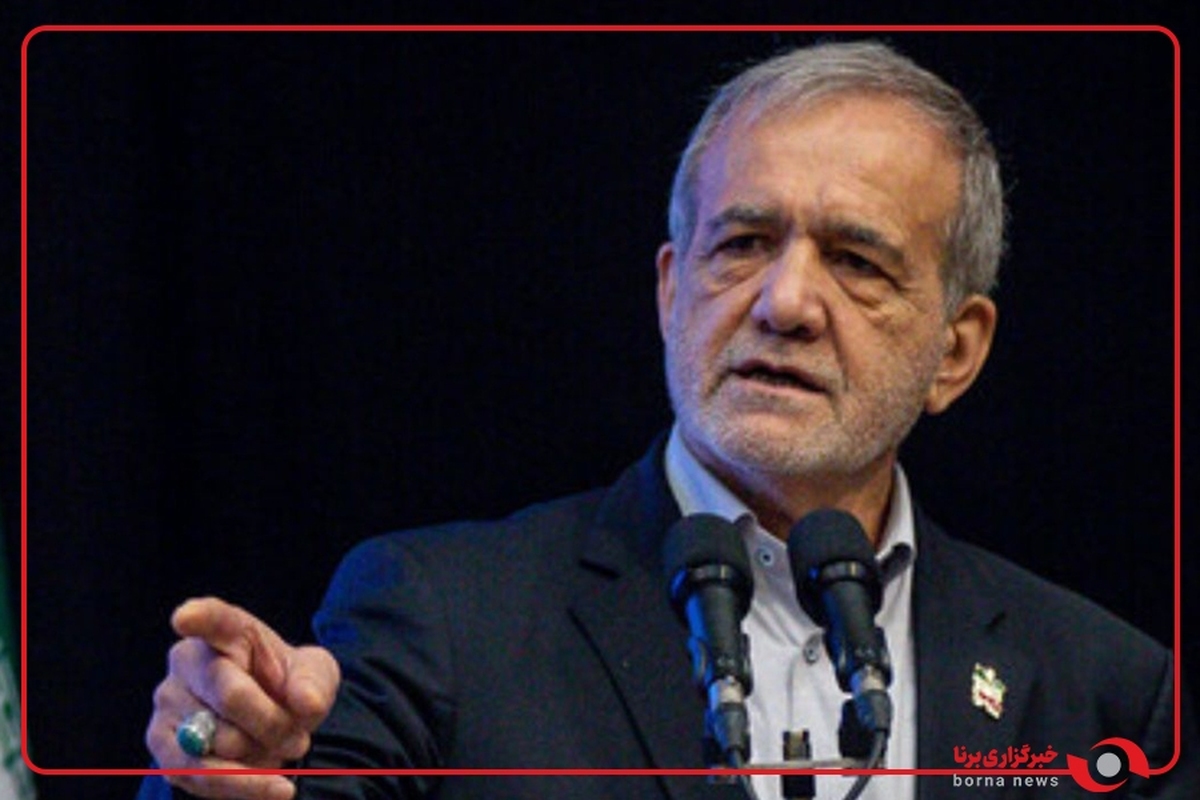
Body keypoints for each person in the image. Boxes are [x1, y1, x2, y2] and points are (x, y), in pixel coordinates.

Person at [138, 40, 1197, 800]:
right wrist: (227, 764)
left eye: (856, 260)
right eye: (742, 244)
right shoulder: (444, 619)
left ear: (955, 351)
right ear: (669, 289)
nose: (784, 301)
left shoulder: (1106, 690)